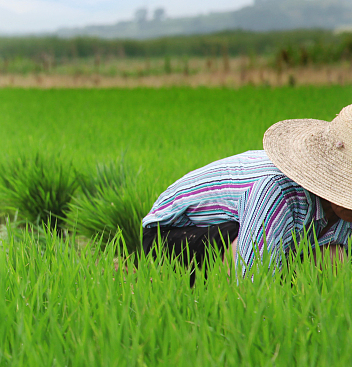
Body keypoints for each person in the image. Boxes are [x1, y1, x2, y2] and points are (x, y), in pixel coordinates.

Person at [142, 105, 352, 280]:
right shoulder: (278, 190)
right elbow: (252, 277)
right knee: (254, 267)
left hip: (260, 234)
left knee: (334, 258)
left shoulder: (341, 211)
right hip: (172, 236)